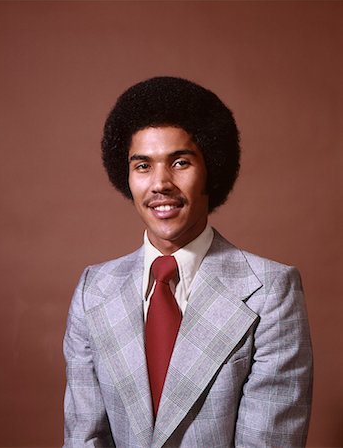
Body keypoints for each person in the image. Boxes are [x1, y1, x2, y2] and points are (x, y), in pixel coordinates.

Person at [63, 77, 313, 447]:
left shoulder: (271, 291)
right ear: (126, 176)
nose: (160, 183)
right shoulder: (93, 289)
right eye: (143, 166)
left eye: (180, 162)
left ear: (211, 168)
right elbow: (85, 437)